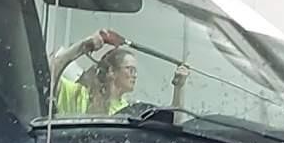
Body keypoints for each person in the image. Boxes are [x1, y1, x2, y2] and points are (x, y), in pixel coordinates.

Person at [48, 29, 188, 118]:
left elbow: (174, 121)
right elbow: (50, 71)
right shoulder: (78, 94)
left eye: (135, 71)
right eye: (130, 69)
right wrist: (83, 46)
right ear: (111, 72)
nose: (135, 75)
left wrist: (179, 87)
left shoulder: (130, 111)